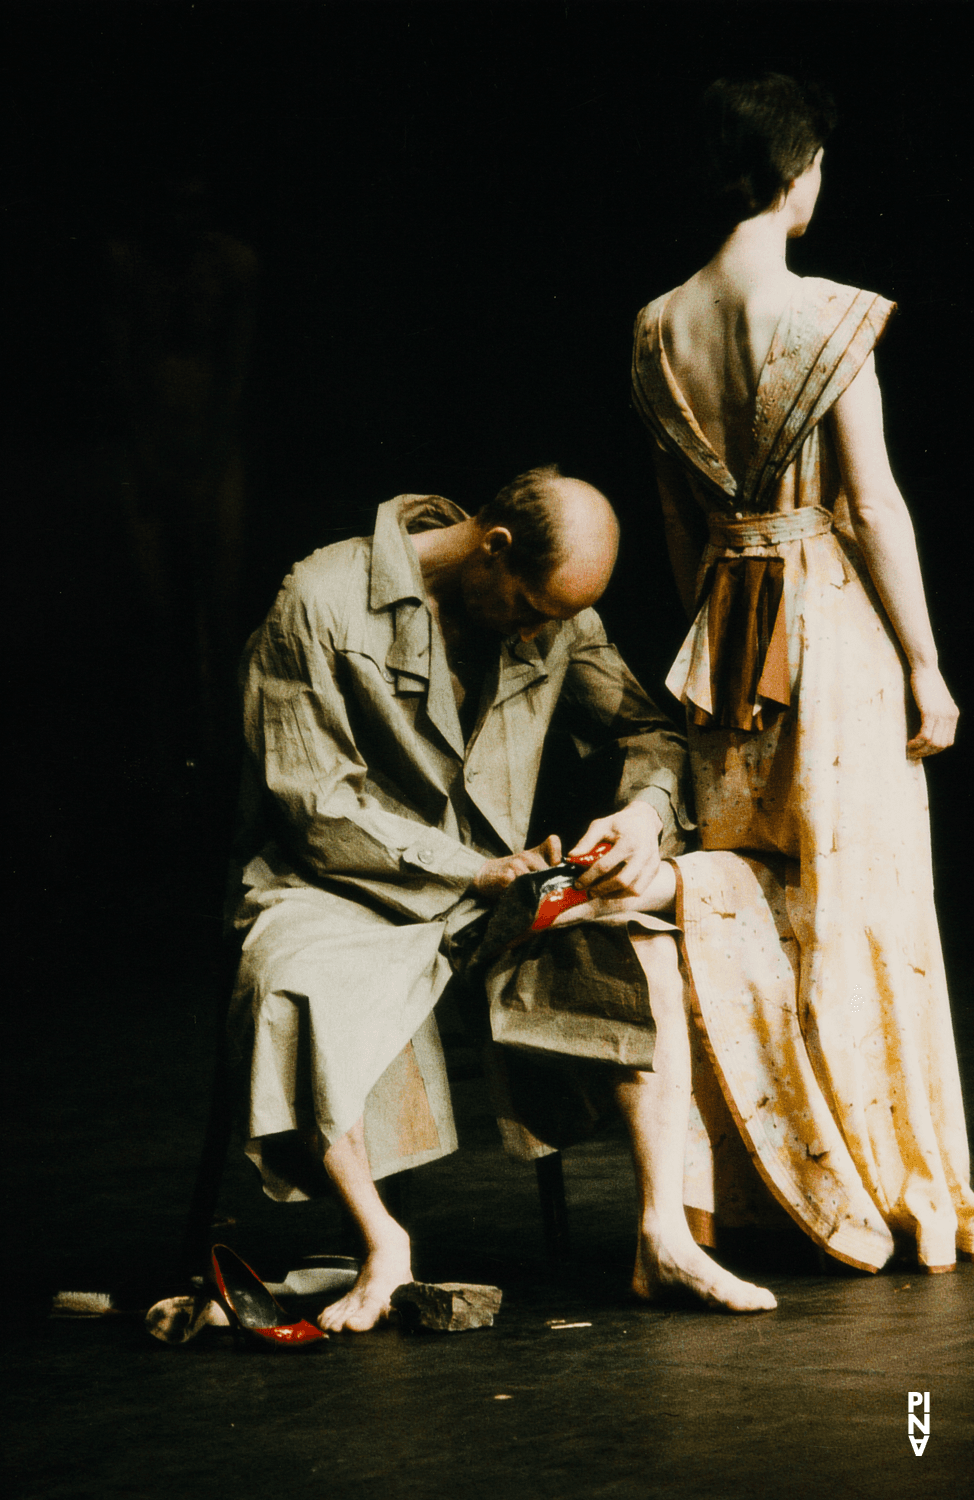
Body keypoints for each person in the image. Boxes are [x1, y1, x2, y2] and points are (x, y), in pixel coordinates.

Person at [228, 467, 777, 1331]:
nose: (538, 633)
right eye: (528, 609)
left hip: (497, 888)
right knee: (292, 979)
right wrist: (467, 868)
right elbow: (312, 801)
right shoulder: (322, 598)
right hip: (343, 886)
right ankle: (384, 1246)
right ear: (494, 548)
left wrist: (641, 814)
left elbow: (647, 730)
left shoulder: (553, 614)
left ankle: (661, 1237)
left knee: (641, 939)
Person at [631, 74, 974, 1273]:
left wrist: (720, 624)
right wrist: (925, 665)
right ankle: (890, 1186)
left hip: (724, 646)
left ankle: (787, 1187)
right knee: (858, 904)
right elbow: (872, 506)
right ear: (791, 175)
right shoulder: (824, 314)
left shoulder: (656, 326)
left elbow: (680, 529)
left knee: (758, 902)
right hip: (827, 637)